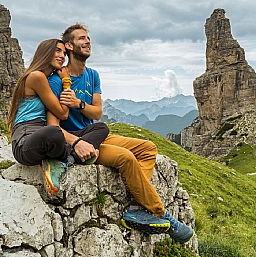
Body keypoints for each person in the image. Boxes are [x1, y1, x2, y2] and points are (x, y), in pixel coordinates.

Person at [48, 24, 194, 243]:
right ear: (69, 46)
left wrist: (78, 103)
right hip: (78, 140)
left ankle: (136, 207)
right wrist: (77, 142)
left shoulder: (92, 75)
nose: (88, 42)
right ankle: (162, 214)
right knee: (126, 158)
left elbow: (97, 113)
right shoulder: (58, 79)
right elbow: (54, 126)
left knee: (148, 148)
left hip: (96, 133)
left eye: (89, 38)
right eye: (81, 39)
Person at [8, 38, 108, 196]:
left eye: (64, 52)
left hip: (44, 135)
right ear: (45, 53)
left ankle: (65, 160)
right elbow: (63, 113)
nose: (62, 55)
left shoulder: (46, 78)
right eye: (57, 50)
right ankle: (71, 155)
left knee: (101, 128)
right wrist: (66, 81)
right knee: (54, 132)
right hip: (26, 141)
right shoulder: (36, 76)